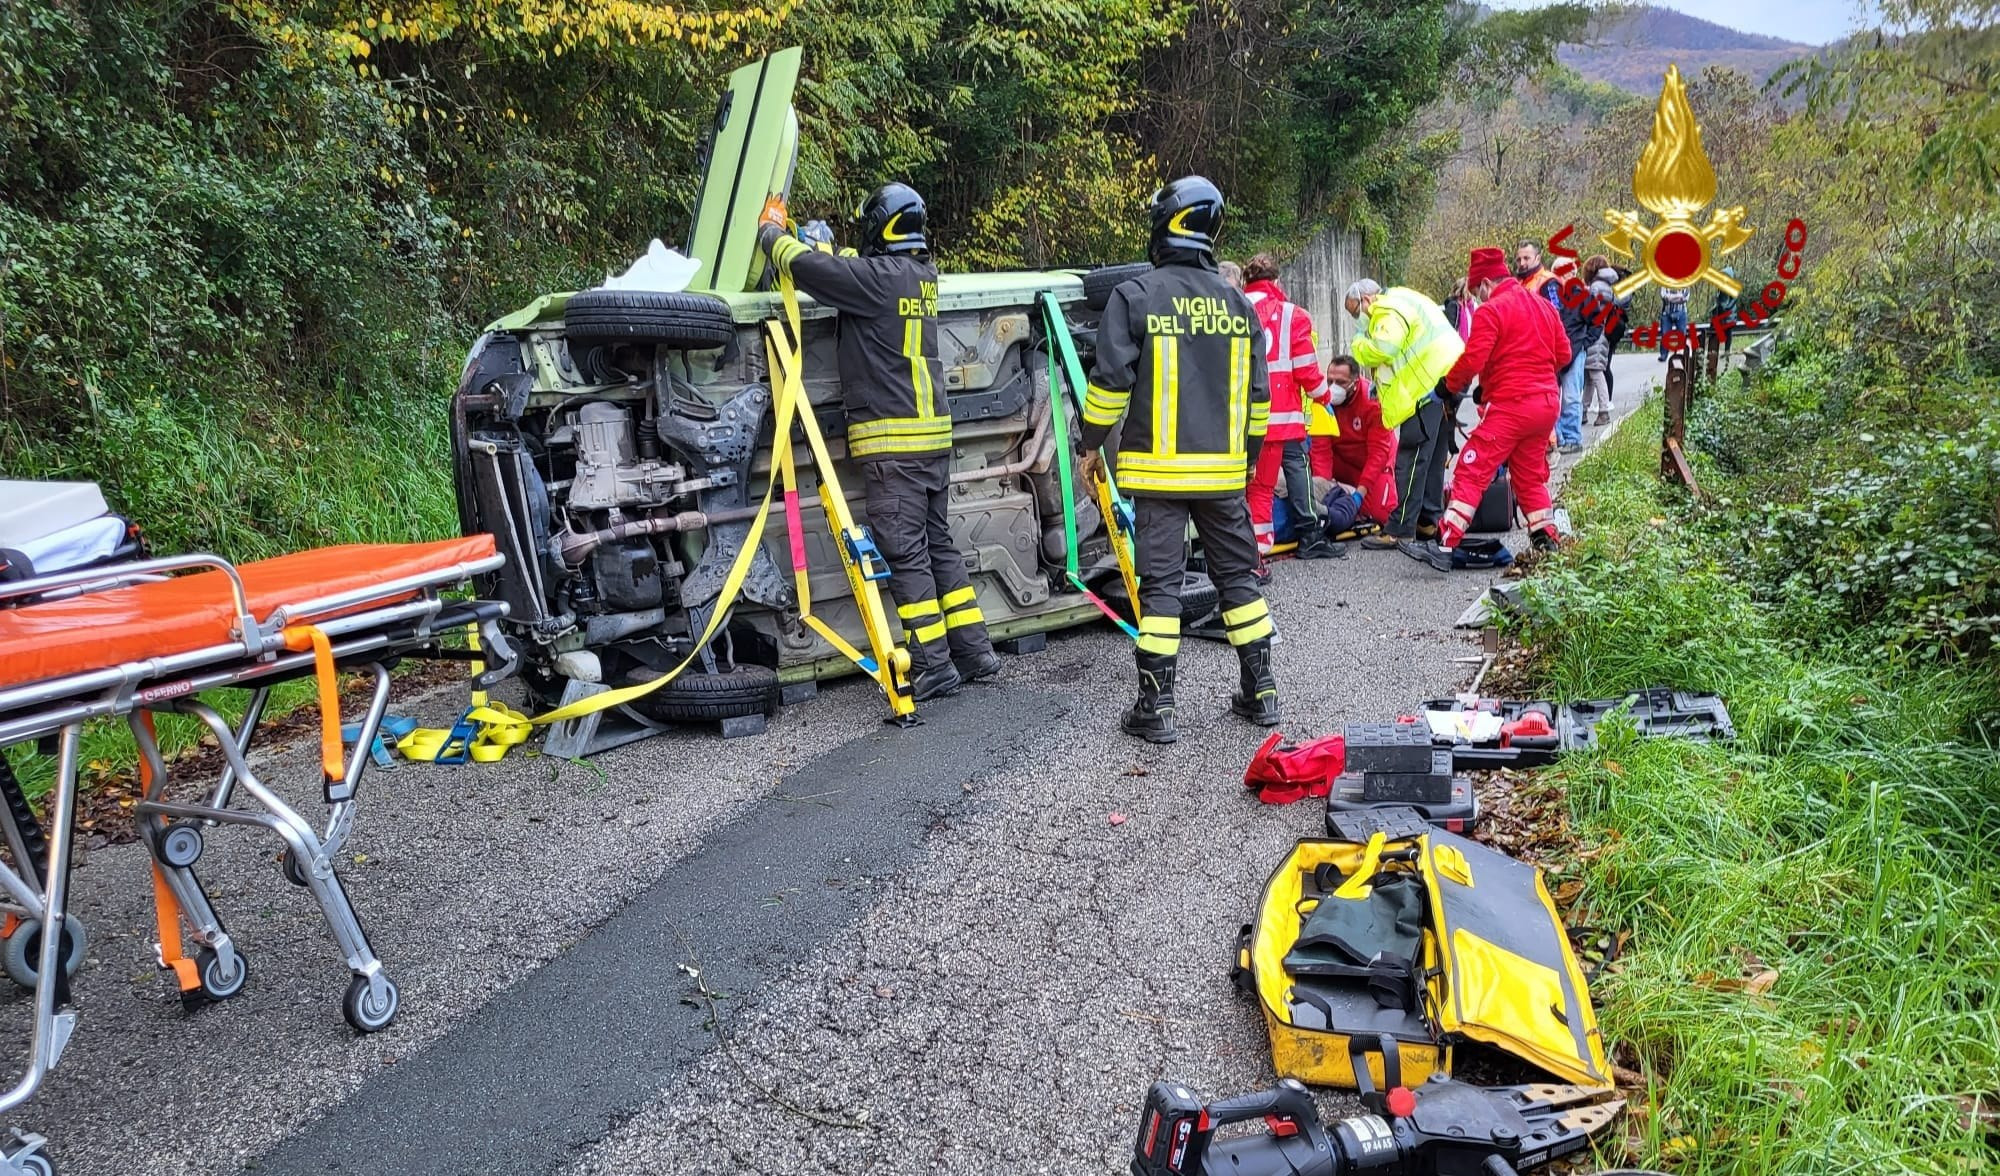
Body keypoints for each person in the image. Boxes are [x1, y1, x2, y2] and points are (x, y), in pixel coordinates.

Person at [759, 184, 1000, 701]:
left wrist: (772, 231)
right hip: (930, 443)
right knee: (939, 546)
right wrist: (830, 248)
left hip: (894, 448)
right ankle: (975, 650)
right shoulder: (920, 276)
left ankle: (935, 664)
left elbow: (808, 269)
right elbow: (849, 268)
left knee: (906, 551)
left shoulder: (874, 281)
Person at [1078, 175, 1278, 744]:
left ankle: (1157, 707)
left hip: (1157, 476)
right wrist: (1248, 462)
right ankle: (1261, 691)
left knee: (1160, 587)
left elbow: (1110, 387)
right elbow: (1258, 401)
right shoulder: (1240, 303)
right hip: (1223, 474)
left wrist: (1091, 444)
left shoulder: (1135, 296)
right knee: (1238, 577)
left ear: (1166, 224)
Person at [1403, 247, 1571, 571]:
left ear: (1483, 285)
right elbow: (1562, 354)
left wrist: (1446, 388)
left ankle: (1445, 543)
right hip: (1546, 405)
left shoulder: (1491, 310)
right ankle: (1546, 538)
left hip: (1512, 406)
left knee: (1471, 468)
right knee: (1529, 476)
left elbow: (1472, 360)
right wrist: (1494, 383)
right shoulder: (1544, 306)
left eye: (1476, 290)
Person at [1341, 278, 1465, 547]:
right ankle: (1428, 520)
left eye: (1355, 312)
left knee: (1411, 456)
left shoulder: (1385, 309)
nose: (1357, 319)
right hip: (1447, 376)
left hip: (1426, 385)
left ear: (1367, 300)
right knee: (1432, 457)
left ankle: (1400, 528)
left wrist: (1359, 343)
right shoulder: (1404, 297)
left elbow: (1385, 348)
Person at [1241, 253, 1336, 559]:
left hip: (1241, 417)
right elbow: (1307, 370)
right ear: (1277, 281)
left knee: (1252, 484)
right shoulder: (1292, 315)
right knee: (1282, 477)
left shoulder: (1233, 308)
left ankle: (1253, 548)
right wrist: (1326, 396)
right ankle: (1300, 536)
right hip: (1282, 418)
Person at [1514, 240, 1592, 454]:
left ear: (1538, 259)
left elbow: (1557, 316)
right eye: (1519, 259)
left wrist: (1585, 342)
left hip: (1563, 349)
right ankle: (1556, 439)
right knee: (1550, 397)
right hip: (1540, 351)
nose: (1522, 262)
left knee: (1569, 396)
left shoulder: (1548, 284)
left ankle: (1571, 438)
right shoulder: (1522, 284)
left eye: (1526, 258)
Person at [1310, 357, 1398, 540]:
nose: (1333, 387)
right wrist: (1325, 490)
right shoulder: (1322, 399)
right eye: (1330, 381)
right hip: (1341, 460)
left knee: (1380, 514)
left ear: (1355, 383)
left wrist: (1360, 494)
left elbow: (1378, 453)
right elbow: (1320, 450)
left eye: (1341, 382)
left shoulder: (1372, 400)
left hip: (1371, 464)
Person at [1584, 269, 1615, 426]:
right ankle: (1583, 410)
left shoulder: (1595, 287)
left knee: (1595, 372)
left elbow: (1589, 309)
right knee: (1590, 372)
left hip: (1594, 332)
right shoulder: (1608, 287)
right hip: (1602, 331)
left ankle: (1603, 410)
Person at [1658, 282, 1689, 361]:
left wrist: (1671, 298)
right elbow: (1664, 296)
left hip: (1681, 311)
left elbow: (1685, 298)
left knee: (1681, 333)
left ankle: (1679, 354)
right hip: (1667, 312)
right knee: (1665, 334)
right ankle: (1663, 355)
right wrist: (1678, 297)